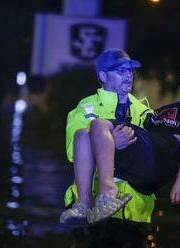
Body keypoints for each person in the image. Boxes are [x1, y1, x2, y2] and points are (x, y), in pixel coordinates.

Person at [60, 59, 180, 224]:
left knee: (99, 124)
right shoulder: (166, 109)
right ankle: (83, 202)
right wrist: (112, 142)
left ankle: (108, 192)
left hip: (155, 160)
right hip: (143, 154)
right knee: (82, 135)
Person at [62, 48, 156, 224]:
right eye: (121, 71)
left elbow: (152, 156)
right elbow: (72, 153)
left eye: (130, 71)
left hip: (134, 212)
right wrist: (112, 143)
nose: (128, 76)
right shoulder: (86, 108)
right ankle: (88, 200)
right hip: (91, 212)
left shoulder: (144, 112)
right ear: (103, 76)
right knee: (83, 134)